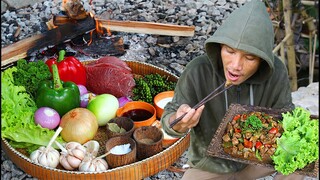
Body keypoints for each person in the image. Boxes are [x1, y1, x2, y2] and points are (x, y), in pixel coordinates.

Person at [161, 1, 305, 179]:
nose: (236, 66)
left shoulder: (276, 73)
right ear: (220, 46)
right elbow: (169, 118)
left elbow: (287, 114)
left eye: (250, 57)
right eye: (229, 51)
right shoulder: (198, 71)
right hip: (212, 165)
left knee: (302, 153)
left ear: (262, 60)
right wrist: (179, 122)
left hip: (258, 157)